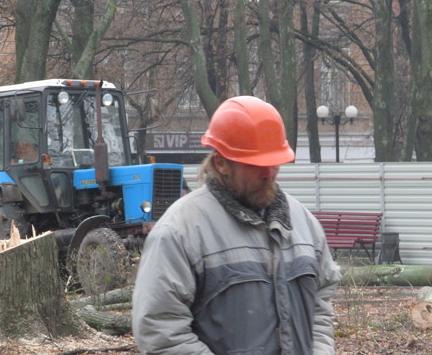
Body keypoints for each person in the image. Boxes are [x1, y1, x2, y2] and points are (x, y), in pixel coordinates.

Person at [132, 96, 342, 355]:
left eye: (273, 162)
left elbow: (319, 306)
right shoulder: (180, 231)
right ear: (221, 163)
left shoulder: (303, 223)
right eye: (256, 165)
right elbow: (160, 332)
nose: (269, 173)